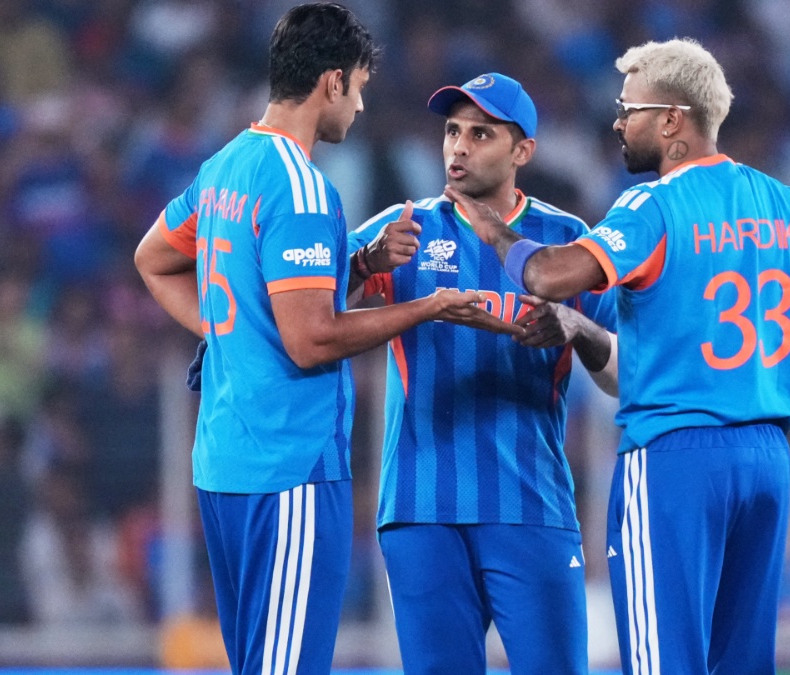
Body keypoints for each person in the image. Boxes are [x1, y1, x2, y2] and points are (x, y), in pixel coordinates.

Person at [446, 39, 790, 674]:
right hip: (768, 464)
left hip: (674, 460)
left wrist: (493, 229)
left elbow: (550, 275)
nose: (617, 123)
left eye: (627, 109)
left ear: (671, 121)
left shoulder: (652, 206)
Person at [132, 5, 508, 674]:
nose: (359, 107)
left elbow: (153, 259)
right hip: (291, 469)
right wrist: (427, 307)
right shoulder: (302, 187)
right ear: (332, 82)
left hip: (224, 465)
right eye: (358, 88)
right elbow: (311, 340)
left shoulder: (226, 165)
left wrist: (355, 268)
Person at [346, 73, 618, 674]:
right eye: (452, 131)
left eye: (481, 134)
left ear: (523, 151)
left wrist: (579, 328)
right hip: (422, 508)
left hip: (530, 504)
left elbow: (626, 375)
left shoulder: (566, 240)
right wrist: (364, 262)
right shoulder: (404, 229)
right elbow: (310, 312)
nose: (459, 147)